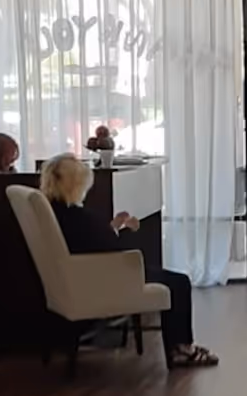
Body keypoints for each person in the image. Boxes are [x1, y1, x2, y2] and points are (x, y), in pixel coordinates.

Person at [39, 153, 218, 368]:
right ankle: (182, 348)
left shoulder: (52, 212)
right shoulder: (79, 217)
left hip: (83, 276)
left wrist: (113, 227)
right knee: (179, 282)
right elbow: (116, 250)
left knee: (172, 279)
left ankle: (182, 348)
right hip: (108, 277)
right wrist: (127, 232)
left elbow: (93, 241)